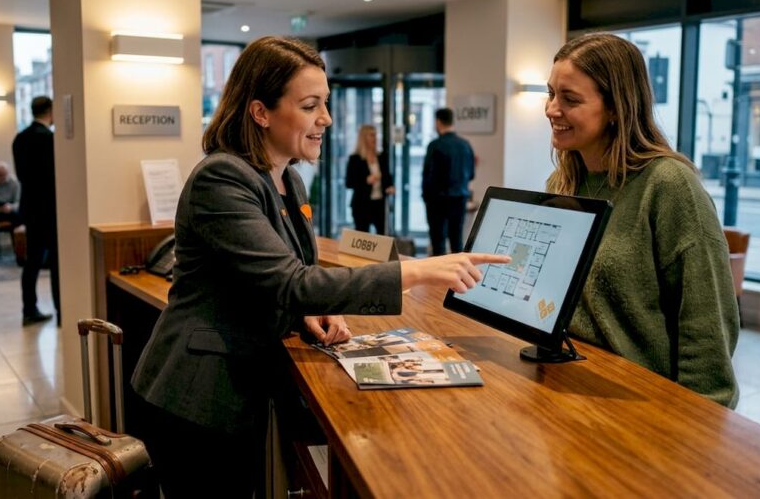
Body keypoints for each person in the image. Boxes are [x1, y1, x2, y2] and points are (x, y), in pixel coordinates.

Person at [130, 36, 508, 498]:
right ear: (260, 112)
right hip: (198, 393)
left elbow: (276, 283)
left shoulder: (289, 178)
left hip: (243, 385)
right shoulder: (222, 178)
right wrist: (419, 271)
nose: (326, 119)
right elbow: (291, 281)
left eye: (325, 105)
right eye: (311, 106)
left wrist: (306, 312)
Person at [544, 32, 739, 408]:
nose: (552, 109)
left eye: (570, 99)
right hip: (570, 385)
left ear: (617, 107)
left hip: (640, 401)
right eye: (551, 93)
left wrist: (700, 422)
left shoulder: (669, 185)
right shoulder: (564, 181)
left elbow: (706, 327)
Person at [12, 96, 59, 326]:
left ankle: (29, 309)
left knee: (32, 262)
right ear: (50, 110)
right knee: (56, 262)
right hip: (50, 208)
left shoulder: (20, 138)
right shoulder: (50, 139)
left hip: (30, 208)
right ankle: (62, 311)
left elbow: (21, 175)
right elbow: (55, 177)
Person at [422, 107, 475, 256]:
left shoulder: (435, 146)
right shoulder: (465, 145)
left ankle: (438, 277)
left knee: (438, 242)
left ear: (438, 122)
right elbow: (471, 174)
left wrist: (426, 198)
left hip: (437, 200)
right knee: (457, 241)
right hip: (459, 198)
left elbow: (428, 176)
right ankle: (458, 277)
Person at [345, 124, 394, 233]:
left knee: (382, 237)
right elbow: (349, 183)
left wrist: (390, 186)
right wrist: (366, 180)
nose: (375, 138)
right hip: (361, 204)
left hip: (379, 204)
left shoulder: (381, 157)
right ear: (364, 138)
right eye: (372, 135)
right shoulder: (355, 159)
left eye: (376, 135)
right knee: (363, 237)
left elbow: (387, 177)